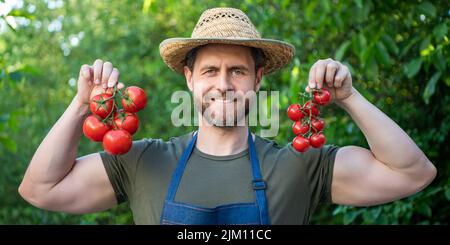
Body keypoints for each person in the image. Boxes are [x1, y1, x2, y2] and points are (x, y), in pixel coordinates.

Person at [18, 7, 436, 225]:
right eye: (210, 71)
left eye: (237, 71)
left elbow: (412, 174)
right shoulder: (143, 161)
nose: (223, 84)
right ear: (189, 79)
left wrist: (350, 97)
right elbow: (41, 189)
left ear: (257, 79)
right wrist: (78, 107)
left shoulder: (299, 163)